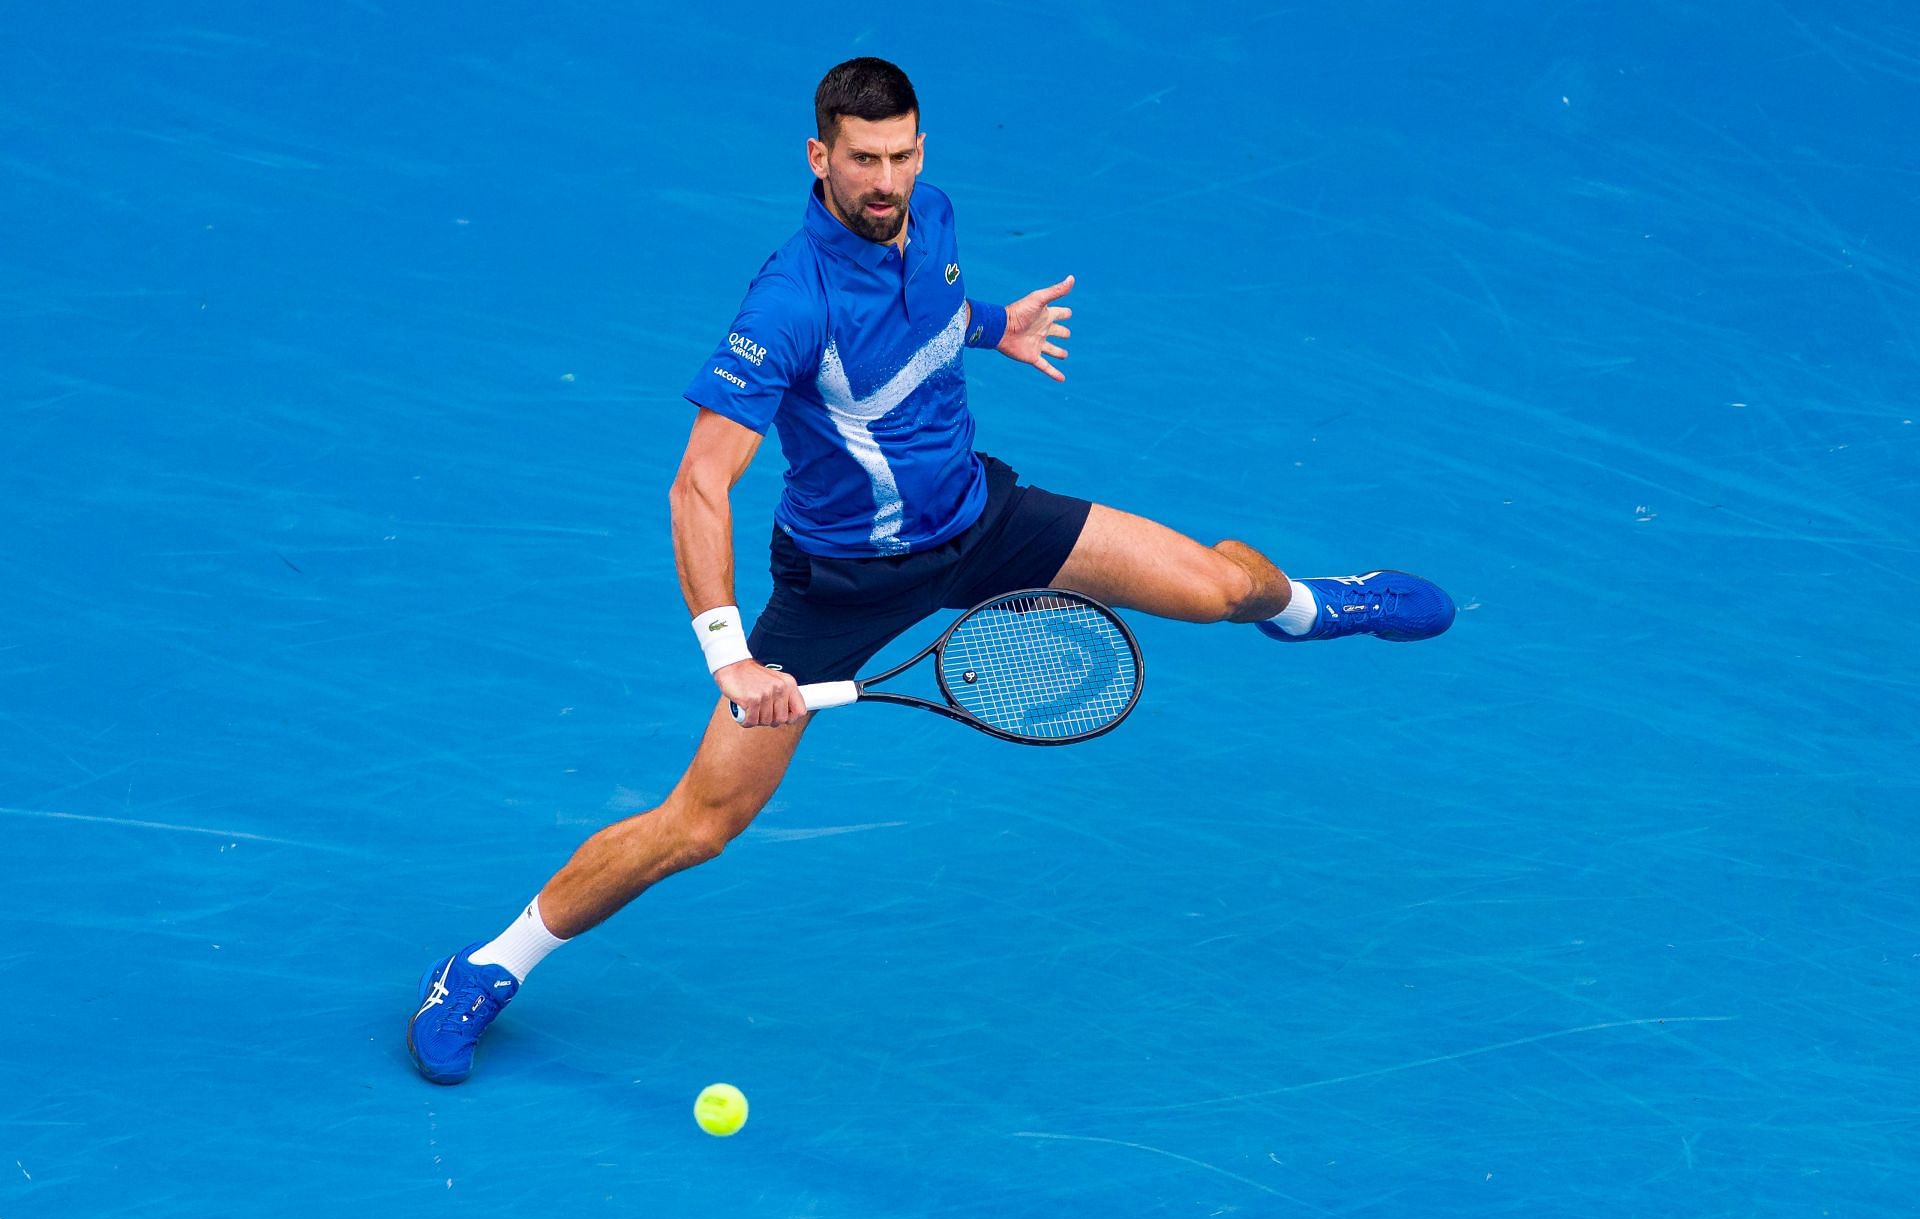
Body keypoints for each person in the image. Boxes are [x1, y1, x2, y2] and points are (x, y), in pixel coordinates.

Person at [406, 57, 1455, 1084]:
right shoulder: (787, 302)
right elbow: (698, 485)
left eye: (901, 156)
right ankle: (487, 965)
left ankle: (1314, 605)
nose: (885, 182)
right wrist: (731, 658)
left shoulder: (933, 213)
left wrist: (998, 327)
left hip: (981, 517)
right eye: (862, 160)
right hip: (842, 584)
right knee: (701, 822)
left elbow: (937, 310)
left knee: (1225, 588)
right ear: (818, 156)